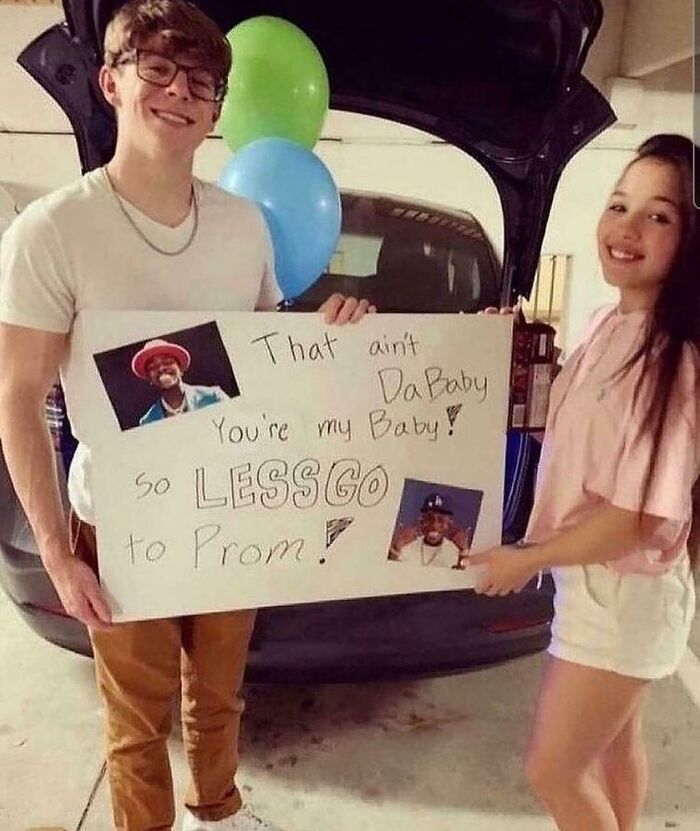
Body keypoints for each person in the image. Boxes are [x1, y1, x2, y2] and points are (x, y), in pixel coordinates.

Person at [0, 2, 374, 830]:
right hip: (119, 518)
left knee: (219, 694)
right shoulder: (51, 232)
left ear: (217, 110)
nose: (180, 93)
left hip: (230, 507)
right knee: (136, 722)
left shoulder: (243, 227)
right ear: (111, 82)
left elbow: (270, 362)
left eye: (202, 83)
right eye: (159, 70)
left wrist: (332, 338)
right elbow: (16, 398)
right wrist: (58, 554)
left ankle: (217, 810)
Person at [473, 133, 699, 831]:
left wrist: (528, 557)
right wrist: (510, 359)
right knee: (615, 744)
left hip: (624, 593)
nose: (627, 228)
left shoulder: (674, 360)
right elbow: (574, 437)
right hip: (598, 580)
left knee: (554, 769)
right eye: (619, 204)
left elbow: (639, 516)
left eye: (658, 216)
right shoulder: (610, 322)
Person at [131, 337, 228, 424]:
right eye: (153, 367)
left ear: (181, 369)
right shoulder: (147, 421)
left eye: (167, 362)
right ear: (150, 379)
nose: (161, 368)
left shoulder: (214, 397)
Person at [388, 492, 471, 568]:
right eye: (429, 518)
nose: (434, 525)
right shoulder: (405, 547)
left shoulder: (456, 551)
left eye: (441, 520)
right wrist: (396, 547)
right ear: (421, 520)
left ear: (449, 524)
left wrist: (464, 552)